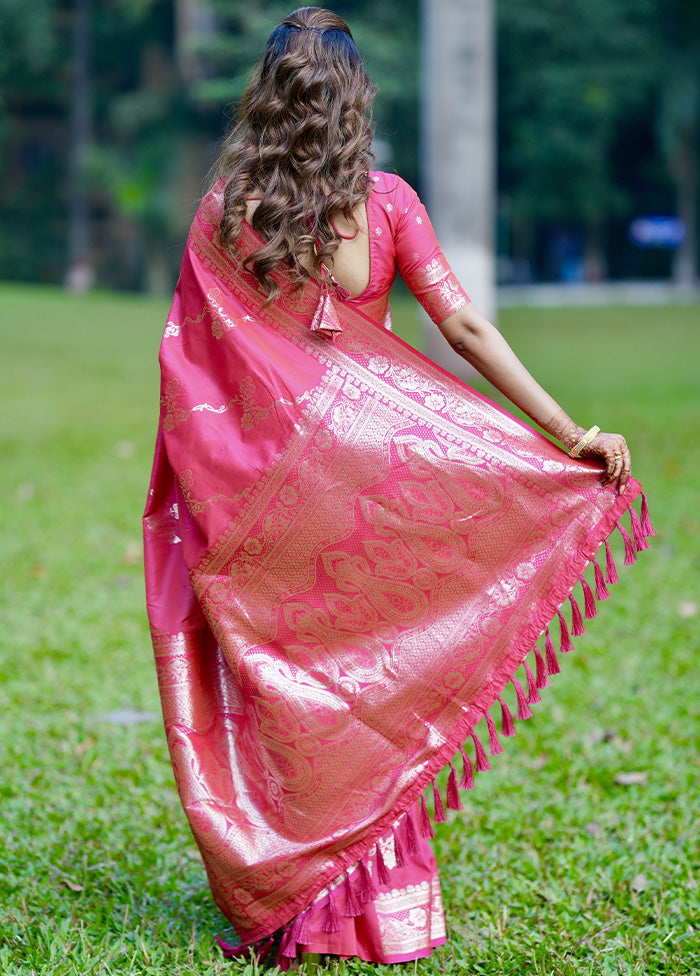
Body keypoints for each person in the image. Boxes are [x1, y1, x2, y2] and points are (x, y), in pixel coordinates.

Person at [143, 7, 652, 968]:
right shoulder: (386, 204)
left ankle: (293, 905)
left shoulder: (225, 214)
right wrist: (568, 432)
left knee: (290, 696)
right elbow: (463, 329)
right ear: (355, 98)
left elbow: (193, 372)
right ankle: (381, 915)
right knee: (367, 689)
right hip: (368, 492)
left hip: (262, 499)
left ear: (266, 97)